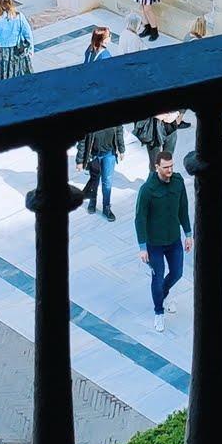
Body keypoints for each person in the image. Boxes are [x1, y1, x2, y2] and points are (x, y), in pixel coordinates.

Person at [135, 147, 191, 332]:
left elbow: (183, 208)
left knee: (177, 273)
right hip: (154, 244)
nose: (170, 170)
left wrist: (188, 234)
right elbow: (140, 218)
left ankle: (163, 294)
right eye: (166, 167)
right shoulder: (147, 190)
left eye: (172, 166)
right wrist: (142, 247)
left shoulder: (178, 182)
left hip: (174, 239)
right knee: (157, 278)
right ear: (156, 166)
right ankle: (158, 311)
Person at [76, 121, 125, 220]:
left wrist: (121, 149)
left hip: (110, 153)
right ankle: (92, 199)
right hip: (93, 154)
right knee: (94, 178)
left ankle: (106, 207)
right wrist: (80, 160)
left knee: (107, 181)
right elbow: (82, 140)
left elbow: (119, 131)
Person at [0, 0, 33, 79]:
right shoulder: (19, 17)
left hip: (1, 53)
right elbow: (28, 34)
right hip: (17, 51)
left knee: (3, 78)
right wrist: (30, 50)